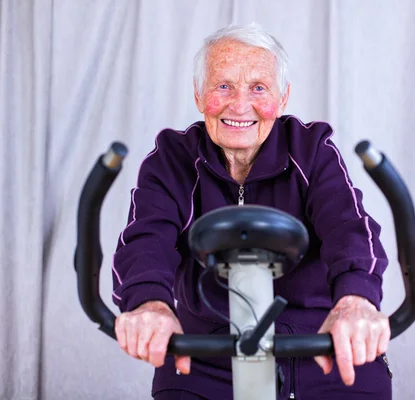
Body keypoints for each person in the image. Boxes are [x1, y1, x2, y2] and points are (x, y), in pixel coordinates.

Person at [112, 23, 392, 400]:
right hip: (207, 354)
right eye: (223, 86)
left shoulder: (310, 150)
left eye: (258, 88)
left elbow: (350, 227)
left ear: (283, 97)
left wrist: (356, 300)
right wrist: (150, 303)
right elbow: (147, 239)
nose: (240, 105)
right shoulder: (172, 159)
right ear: (198, 94)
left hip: (317, 342)